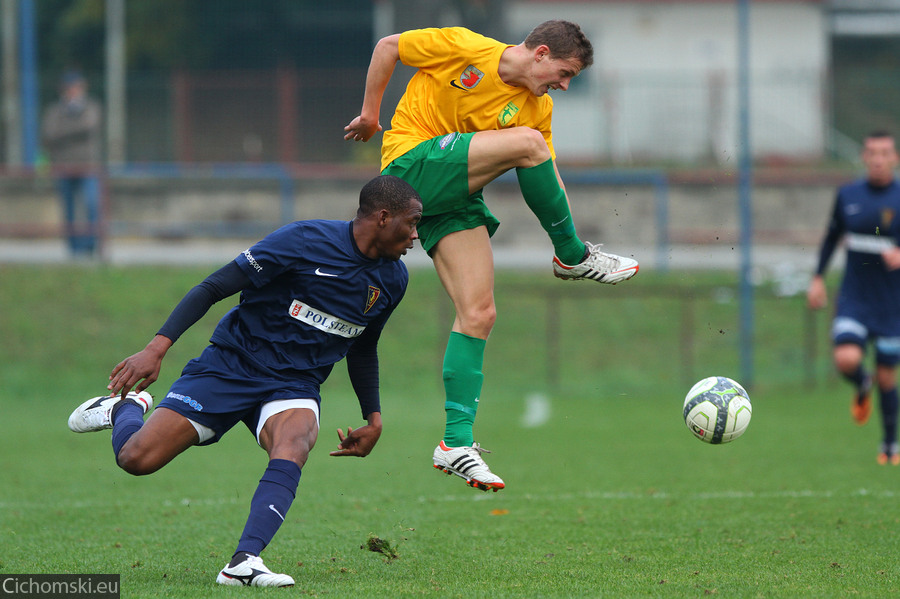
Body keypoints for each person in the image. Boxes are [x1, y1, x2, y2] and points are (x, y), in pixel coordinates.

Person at [67, 175, 423, 586]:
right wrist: (156, 348)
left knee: (295, 440)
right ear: (383, 217)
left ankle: (243, 562)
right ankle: (124, 410)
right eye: (412, 223)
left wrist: (373, 416)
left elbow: (363, 346)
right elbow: (214, 286)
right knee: (136, 459)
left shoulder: (393, 280)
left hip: (295, 383)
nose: (416, 235)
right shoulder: (303, 240)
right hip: (232, 364)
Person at [344, 20, 638, 492]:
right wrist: (370, 115)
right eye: (564, 73)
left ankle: (455, 444)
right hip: (410, 167)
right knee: (528, 143)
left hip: (449, 199)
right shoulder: (464, 47)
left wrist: (565, 222)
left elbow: (545, 168)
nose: (562, 86)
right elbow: (388, 46)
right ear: (540, 53)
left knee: (479, 314)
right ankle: (572, 256)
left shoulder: (535, 109)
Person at [807, 130, 900, 466]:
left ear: (895, 158)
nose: (878, 158)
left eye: (885, 152)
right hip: (855, 298)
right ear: (864, 156)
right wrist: (817, 278)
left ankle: (890, 445)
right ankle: (863, 382)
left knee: (889, 377)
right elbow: (832, 237)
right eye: (872, 152)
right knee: (846, 358)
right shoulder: (848, 195)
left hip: (893, 304)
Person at [41, 70, 103, 258]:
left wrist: (64, 131)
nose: (73, 92)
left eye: (77, 87)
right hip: (64, 166)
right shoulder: (54, 110)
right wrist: (74, 131)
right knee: (69, 209)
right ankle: (74, 249)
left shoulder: (91, 107)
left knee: (92, 204)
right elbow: (49, 134)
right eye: (70, 88)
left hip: (88, 166)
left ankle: (90, 246)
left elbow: (89, 126)